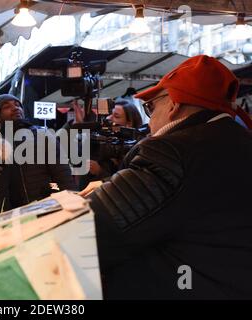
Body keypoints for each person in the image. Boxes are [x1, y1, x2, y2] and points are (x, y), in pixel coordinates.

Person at [86, 55, 252, 298]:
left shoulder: (171, 151)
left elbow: (92, 231)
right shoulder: (239, 142)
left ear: (174, 105)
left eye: (150, 108)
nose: (150, 120)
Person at [0, 94, 77, 203]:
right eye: (7, 107)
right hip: (14, 212)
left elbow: (62, 175)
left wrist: (55, 192)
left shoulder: (42, 135)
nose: (15, 108)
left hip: (46, 206)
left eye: (18, 105)